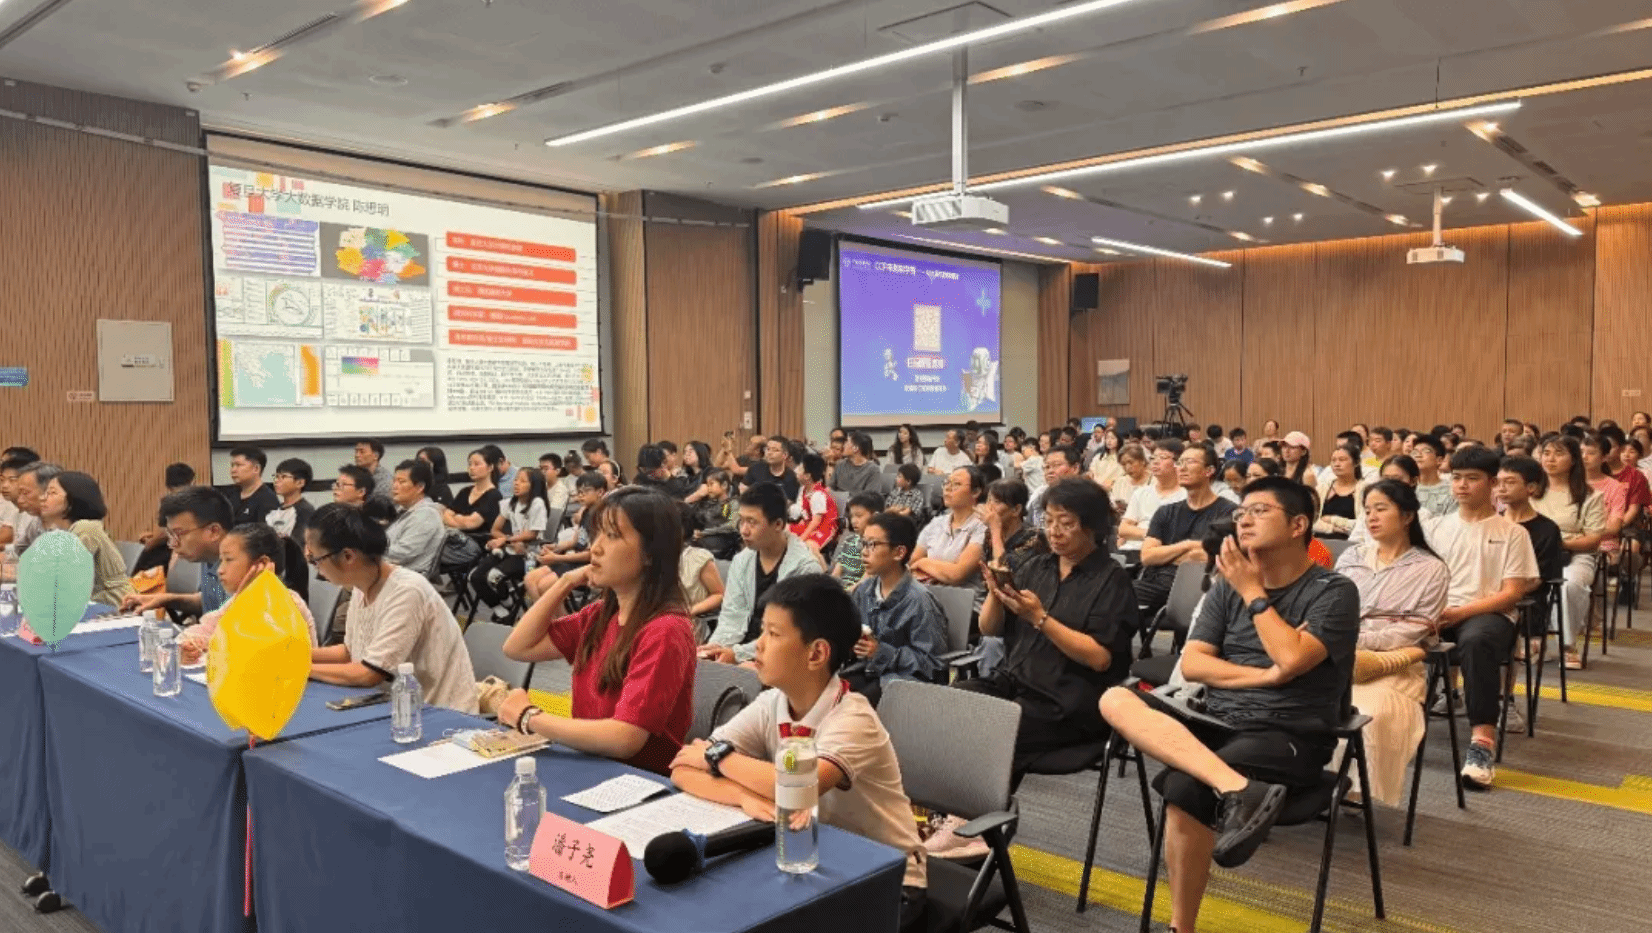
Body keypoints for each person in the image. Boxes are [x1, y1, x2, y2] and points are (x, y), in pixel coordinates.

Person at [1098, 477, 1360, 933]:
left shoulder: (1333, 591)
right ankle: (1237, 787)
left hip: (1288, 732)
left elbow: (1292, 658)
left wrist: (1253, 593)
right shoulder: (1225, 588)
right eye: (1241, 513)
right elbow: (1194, 665)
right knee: (1115, 698)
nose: (1244, 521)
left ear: (1299, 525)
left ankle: (1181, 926)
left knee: (1185, 788)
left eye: (1259, 511)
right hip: (1217, 717)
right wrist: (1265, 676)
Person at [670, 574, 929, 930]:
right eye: (762, 631)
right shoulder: (771, 704)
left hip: (888, 877)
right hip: (811, 858)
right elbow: (682, 769)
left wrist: (718, 758)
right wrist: (743, 797)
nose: (758, 645)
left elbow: (796, 786)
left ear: (816, 653)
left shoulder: (854, 718)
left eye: (773, 634)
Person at [943, 478, 1137, 814]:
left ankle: (976, 824)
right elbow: (989, 629)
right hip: (1017, 681)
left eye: (1066, 523)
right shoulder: (1037, 566)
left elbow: (1100, 658)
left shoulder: (1111, 579)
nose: (1054, 532)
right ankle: (957, 814)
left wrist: (1040, 618)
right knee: (949, 705)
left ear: (1092, 527)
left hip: (1068, 702)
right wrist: (996, 594)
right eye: (1048, 521)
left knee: (992, 729)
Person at [499, 488, 697, 773]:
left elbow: (625, 738)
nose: (596, 548)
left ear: (650, 554)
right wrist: (565, 581)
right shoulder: (599, 615)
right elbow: (517, 647)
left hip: (637, 780)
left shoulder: (665, 630)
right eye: (597, 534)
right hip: (590, 764)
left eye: (612, 536)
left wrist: (530, 717)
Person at [1427, 446, 1540, 789]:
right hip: (1439, 611)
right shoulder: (1435, 528)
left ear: (1492, 483)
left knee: (1477, 641)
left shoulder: (1513, 533)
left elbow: (1512, 593)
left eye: (1472, 478)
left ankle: (1482, 743)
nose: (1462, 485)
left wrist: (1460, 612)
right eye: (1456, 478)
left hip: (1489, 613)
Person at [1333, 481, 1450, 806]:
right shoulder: (1351, 558)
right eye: (1367, 510)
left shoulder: (1431, 569)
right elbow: (1331, 611)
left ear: (1408, 515)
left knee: (1368, 715)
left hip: (1394, 667)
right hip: (1339, 659)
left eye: (1381, 509)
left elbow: (1410, 633)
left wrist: (1353, 640)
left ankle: (1351, 787)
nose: (1371, 517)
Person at [304, 504, 476, 712]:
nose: (316, 568)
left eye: (314, 559)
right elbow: (349, 652)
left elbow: (369, 674)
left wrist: (299, 669)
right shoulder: (361, 587)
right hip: (395, 706)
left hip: (440, 713)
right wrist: (294, 655)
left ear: (348, 556)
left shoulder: (407, 590)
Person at [702, 484, 819, 664]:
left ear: (778, 524)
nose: (744, 530)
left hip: (780, 658)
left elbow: (788, 634)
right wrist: (715, 647)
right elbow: (732, 616)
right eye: (741, 521)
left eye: (752, 522)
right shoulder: (742, 561)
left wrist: (737, 654)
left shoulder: (805, 569)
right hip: (739, 651)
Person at [178, 523, 318, 664]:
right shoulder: (242, 599)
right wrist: (191, 645)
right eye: (221, 561)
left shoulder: (287, 605)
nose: (219, 570)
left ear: (262, 564)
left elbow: (252, 656)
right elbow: (203, 630)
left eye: (229, 560)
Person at [845, 512, 947, 704]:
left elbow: (934, 665)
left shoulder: (920, 601)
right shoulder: (864, 590)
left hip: (902, 683)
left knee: (852, 705)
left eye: (873, 545)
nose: (864, 552)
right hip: (869, 671)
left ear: (899, 552)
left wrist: (881, 652)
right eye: (863, 544)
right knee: (827, 692)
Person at [1137, 445, 1241, 616]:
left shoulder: (1229, 512)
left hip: (1198, 588)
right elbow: (1147, 556)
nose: (1182, 468)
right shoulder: (1166, 511)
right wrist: (1188, 545)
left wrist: (1165, 556)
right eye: (1179, 462)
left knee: (1117, 599)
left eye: (1190, 462)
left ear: (1209, 471)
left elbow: (1219, 557)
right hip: (1154, 585)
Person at [1533, 435, 1605, 669]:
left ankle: (1568, 645)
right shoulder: (1530, 491)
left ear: (1573, 459)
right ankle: (1534, 639)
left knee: (1569, 585)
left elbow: (1593, 539)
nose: (1550, 459)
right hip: (1533, 554)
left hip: (1575, 555)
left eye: (1558, 453)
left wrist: (1557, 543)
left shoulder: (1589, 495)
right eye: (1546, 453)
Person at [120, 486, 233, 618]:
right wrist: (165, 599)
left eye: (179, 534)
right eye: (171, 535)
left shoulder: (243, 568)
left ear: (214, 531)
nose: (173, 544)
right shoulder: (209, 557)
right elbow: (210, 602)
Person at [39, 471, 135, 607]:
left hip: (113, 605)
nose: (42, 498)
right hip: (96, 603)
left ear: (73, 499)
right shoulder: (65, 531)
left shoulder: (85, 529)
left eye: (52, 493)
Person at [469, 466, 550, 612]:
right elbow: (495, 530)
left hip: (530, 556)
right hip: (510, 549)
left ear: (534, 486)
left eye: (523, 481)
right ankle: (503, 607)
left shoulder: (537, 503)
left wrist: (506, 540)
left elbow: (532, 534)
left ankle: (508, 606)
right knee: (475, 577)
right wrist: (503, 540)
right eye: (516, 479)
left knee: (494, 577)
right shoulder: (510, 503)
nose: (516, 483)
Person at [525, 472, 607, 602]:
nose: (580, 495)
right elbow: (575, 542)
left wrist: (556, 558)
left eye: (585, 491)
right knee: (530, 579)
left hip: (590, 565)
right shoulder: (586, 512)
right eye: (579, 492)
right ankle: (549, 615)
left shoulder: (603, 516)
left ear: (600, 492)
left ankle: (559, 615)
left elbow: (590, 554)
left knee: (544, 585)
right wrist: (555, 547)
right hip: (575, 561)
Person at [910, 467, 988, 593]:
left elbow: (957, 575)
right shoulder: (936, 522)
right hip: (929, 593)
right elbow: (913, 561)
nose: (947, 488)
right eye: (946, 483)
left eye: (956, 484)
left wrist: (923, 562)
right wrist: (922, 564)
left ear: (976, 492)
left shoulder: (982, 526)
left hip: (963, 599)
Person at [381, 459, 446, 580]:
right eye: (394, 481)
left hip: (404, 578)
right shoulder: (404, 510)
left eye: (401, 482)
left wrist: (369, 551)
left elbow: (403, 553)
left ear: (420, 487)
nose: (394, 486)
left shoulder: (426, 514)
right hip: (388, 572)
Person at [440, 448, 504, 570]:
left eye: (477, 464)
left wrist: (456, 518)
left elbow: (472, 523)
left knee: (433, 552)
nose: (471, 468)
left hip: (477, 544)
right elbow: (446, 515)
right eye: (470, 464)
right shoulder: (465, 492)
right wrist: (460, 520)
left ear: (490, 467)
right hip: (456, 540)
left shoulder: (494, 495)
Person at [1119, 442, 1186, 557]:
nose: (1155, 462)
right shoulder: (1141, 493)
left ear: (1178, 463)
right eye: (1153, 458)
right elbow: (1123, 529)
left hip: (1162, 554)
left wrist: (1140, 534)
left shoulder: (1186, 496)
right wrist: (1151, 534)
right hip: (1131, 551)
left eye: (1162, 458)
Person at [829, 492, 884, 590]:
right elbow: (836, 573)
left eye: (859, 516)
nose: (853, 521)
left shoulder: (877, 546)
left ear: (875, 517)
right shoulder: (849, 540)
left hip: (858, 592)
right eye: (852, 516)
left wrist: (844, 593)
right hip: (840, 590)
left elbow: (866, 580)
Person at [1314, 443, 1366, 539]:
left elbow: (1363, 525)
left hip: (1351, 543)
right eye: (1333, 460)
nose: (1337, 464)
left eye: (1342, 460)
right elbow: (1311, 521)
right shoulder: (1322, 487)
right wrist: (1332, 528)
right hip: (1319, 542)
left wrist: (1332, 519)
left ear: (1356, 462)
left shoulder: (1364, 489)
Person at [790, 453, 840, 550]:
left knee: (808, 547)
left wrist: (801, 539)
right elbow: (806, 513)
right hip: (810, 524)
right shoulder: (803, 489)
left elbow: (816, 521)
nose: (796, 471)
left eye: (800, 469)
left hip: (825, 528)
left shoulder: (818, 495)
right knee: (784, 530)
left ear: (807, 476)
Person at [688, 469, 740, 560]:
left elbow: (731, 525)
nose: (708, 488)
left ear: (724, 485)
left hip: (722, 545)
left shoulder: (731, 504)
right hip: (705, 541)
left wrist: (704, 533)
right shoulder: (708, 504)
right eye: (707, 485)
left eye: (711, 484)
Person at [1028, 445, 1082, 530]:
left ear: (1075, 468)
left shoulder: (1088, 495)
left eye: (1056, 465)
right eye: (1047, 467)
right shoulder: (1039, 495)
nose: (1050, 471)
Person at [226, 446, 280, 527]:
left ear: (256, 469)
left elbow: (266, 533)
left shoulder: (268, 500)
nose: (233, 470)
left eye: (238, 465)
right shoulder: (229, 495)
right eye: (232, 465)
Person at [266, 458, 315, 541]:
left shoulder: (305, 511)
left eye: (283, 476)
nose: (277, 481)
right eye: (276, 476)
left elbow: (299, 542)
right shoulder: (274, 508)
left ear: (300, 483)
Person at [744, 435, 802, 502]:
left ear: (785, 455)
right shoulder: (755, 468)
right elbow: (743, 487)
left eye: (775, 450)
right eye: (768, 449)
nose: (769, 453)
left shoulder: (792, 477)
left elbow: (789, 501)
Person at [1411, 435, 1455, 516]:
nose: (1418, 455)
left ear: (1439, 460)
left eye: (1426, 451)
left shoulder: (1451, 491)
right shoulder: (1406, 488)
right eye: (1414, 452)